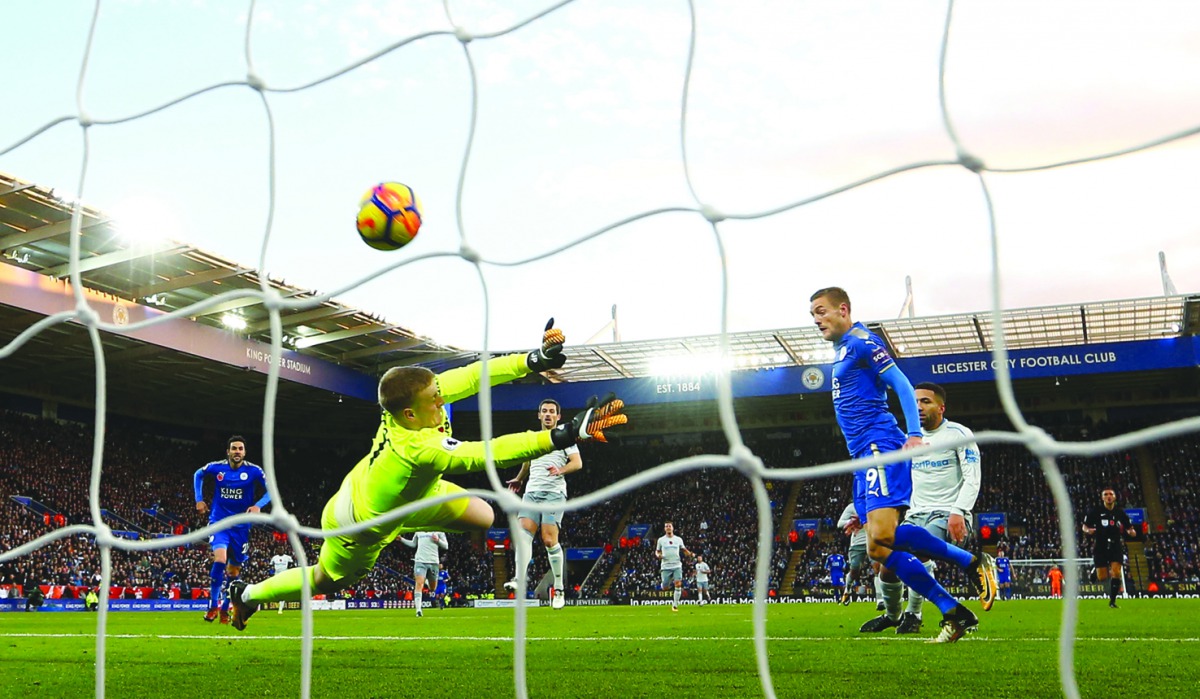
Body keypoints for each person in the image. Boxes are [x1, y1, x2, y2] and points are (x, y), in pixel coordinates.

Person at [227, 322, 627, 630]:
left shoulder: (414, 402)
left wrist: (532, 361)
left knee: (484, 517)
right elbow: (483, 454)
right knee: (324, 580)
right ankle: (247, 594)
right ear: (409, 416)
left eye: (438, 392)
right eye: (434, 400)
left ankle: (410, 513)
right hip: (360, 523)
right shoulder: (417, 446)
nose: (442, 400)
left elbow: (473, 376)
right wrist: (559, 435)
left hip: (394, 491)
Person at [809, 288, 997, 643]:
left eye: (822, 311)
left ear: (843, 310)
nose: (817, 319)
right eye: (813, 314)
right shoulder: (842, 350)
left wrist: (912, 432)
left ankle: (971, 563)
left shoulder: (863, 341)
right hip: (863, 457)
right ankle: (954, 611)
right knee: (877, 549)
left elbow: (900, 381)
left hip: (880, 445)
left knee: (883, 536)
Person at [877, 382, 986, 636]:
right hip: (915, 516)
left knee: (919, 550)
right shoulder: (908, 440)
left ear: (941, 407)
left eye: (926, 401)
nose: (919, 407)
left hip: (947, 513)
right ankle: (893, 615)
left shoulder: (959, 434)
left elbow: (973, 477)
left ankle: (915, 615)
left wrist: (959, 510)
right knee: (885, 563)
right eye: (915, 402)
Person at [503, 398, 583, 610]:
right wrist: (520, 478)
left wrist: (560, 470)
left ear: (558, 416)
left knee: (548, 540)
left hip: (554, 494)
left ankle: (558, 589)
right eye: (544, 411)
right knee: (522, 536)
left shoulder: (565, 438)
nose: (548, 414)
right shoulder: (533, 438)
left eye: (551, 412)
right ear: (539, 415)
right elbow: (528, 461)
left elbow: (577, 463)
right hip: (531, 493)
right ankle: (520, 579)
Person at [194, 435, 270, 624]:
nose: (237, 452)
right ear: (228, 451)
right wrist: (199, 499)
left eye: (240, 449)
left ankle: (225, 608)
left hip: (241, 527)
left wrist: (259, 505)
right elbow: (198, 474)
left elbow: (272, 491)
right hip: (219, 522)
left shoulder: (254, 471)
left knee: (234, 572)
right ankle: (212, 605)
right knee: (220, 559)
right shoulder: (217, 467)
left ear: (244, 452)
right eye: (234, 448)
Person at [1082, 487, 1137, 609]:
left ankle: (1112, 601)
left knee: (1116, 572)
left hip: (1115, 545)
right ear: (1102, 498)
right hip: (1100, 545)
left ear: (1115, 497)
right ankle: (1095, 571)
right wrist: (1088, 531)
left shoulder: (1120, 512)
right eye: (1106, 494)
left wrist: (1131, 531)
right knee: (1102, 577)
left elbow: (1129, 527)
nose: (1108, 496)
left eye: (1111, 494)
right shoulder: (1096, 511)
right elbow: (1084, 526)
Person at [400, 531, 447, 617]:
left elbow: (446, 546)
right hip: (420, 561)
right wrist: (401, 539)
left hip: (433, 562)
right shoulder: (419, 531)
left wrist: (438, 540)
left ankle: (427, 582)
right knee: (419, 584)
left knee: (433, 588)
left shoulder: (439, 531)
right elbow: (413, 544)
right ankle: (418, 610)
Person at [836, 503, 872, 607]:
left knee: (877, 568)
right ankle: (847, 589)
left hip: (873, 540)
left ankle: (880, 600)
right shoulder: (852, 507)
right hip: (857, 543)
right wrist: (851, 522)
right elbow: (840, 523)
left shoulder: (875, 501)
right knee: (855, 570)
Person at [656, 521, 694, 612]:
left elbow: (684, 549)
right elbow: (657, 551)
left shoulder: (678, 539)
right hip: (665, 566)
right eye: (666, 526)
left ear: (673, 528)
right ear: (665, 529)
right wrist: (658, 555)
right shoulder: (661, 540)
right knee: (665, 587)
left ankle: (675, 605)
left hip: (677, 565)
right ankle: (663, 585)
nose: (668, 527)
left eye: (669, 526)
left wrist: (690, 554)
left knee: (678, 584)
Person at [269, 549, 295, 614]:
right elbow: (270, 565)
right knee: (275, 591)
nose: (281, 551)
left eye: (282, 550)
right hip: (276, 576)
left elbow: (292, 564)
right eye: (280, 550)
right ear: (277, 551)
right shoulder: (274, 558)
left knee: (282, 592)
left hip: (284, 576)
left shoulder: (287, 557)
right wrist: (271, 572)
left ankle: (280, 609)